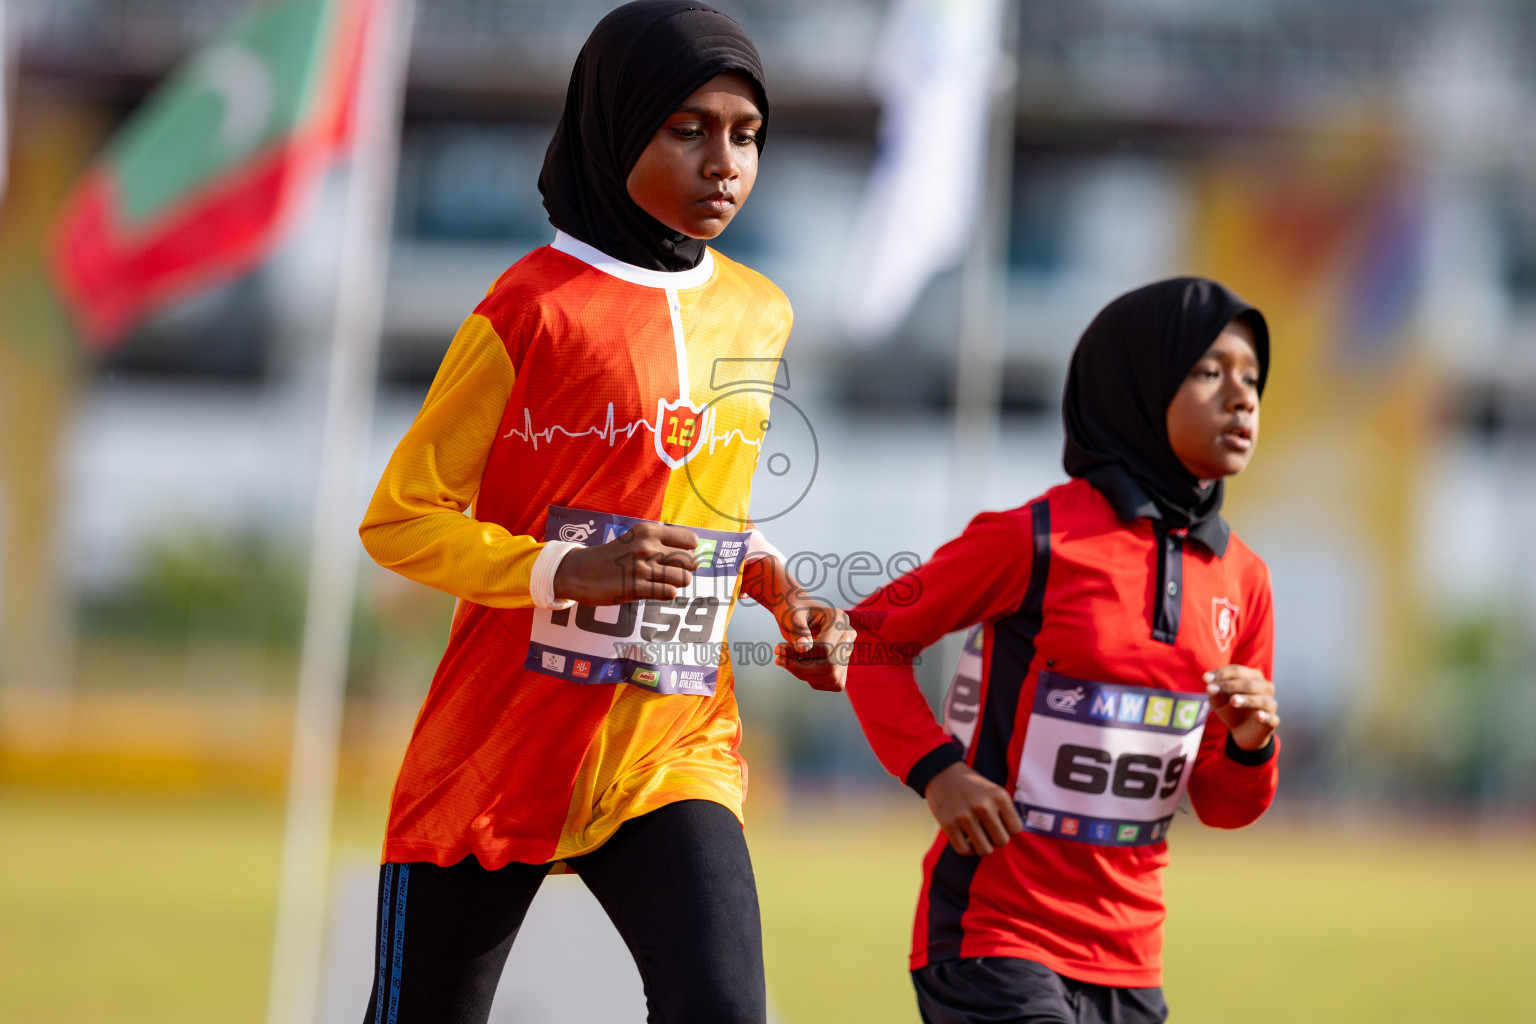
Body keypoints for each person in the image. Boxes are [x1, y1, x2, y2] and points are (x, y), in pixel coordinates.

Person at [356, 4, 852, 1022]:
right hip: (498, 750)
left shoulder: (760, 312)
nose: (725, 162)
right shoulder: (528, 309)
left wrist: (781, 590)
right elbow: (401, 517)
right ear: (615, 125)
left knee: (723, 1008)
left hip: (670, 746)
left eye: (746, 134)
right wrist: (555, 569)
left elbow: (712, 506)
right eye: (688, 129)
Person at [845, 278, 1280, 1024]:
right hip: (993, 938)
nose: (1241, 398)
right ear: (1138, 381)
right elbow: (873, 640)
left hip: (1132, 963)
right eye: (1210, 371)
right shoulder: (1036, 538)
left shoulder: (1246, 579)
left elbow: (1223, 804)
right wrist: (937, 771)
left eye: (1252, 378)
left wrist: (1250, 742)